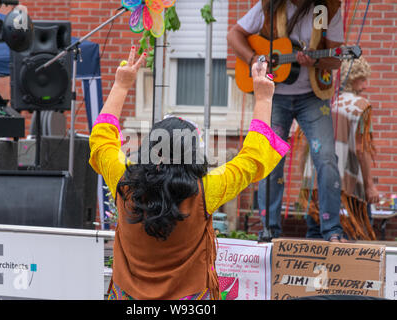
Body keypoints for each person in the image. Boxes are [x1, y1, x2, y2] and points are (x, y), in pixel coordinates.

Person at [89, 46, 289, 300]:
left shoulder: (124, 180)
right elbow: (253, 159)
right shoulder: (206, 190)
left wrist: (121, 84)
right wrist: (263, 99)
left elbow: (101, 141)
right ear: (193, 153)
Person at [227, 0, 345, 241]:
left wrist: (316, 61)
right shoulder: (270, 6)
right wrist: (254, 59)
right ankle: (268, 229)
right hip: (274, 96)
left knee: (325, 158)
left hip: (313, 96)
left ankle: (332, 229)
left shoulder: (324, 9)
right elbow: (234, 35)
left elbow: (335, 59)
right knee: (269, 159)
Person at [300, 56, 378, 240]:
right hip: (346, 185)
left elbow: (305, 144)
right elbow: (361, 149)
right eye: (363, 79)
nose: (365, 85)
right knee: (353, 234)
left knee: (315, 234)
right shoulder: (361, 106)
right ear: (352, 78)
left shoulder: (322, 102)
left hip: (316, 181)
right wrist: (369, 186)